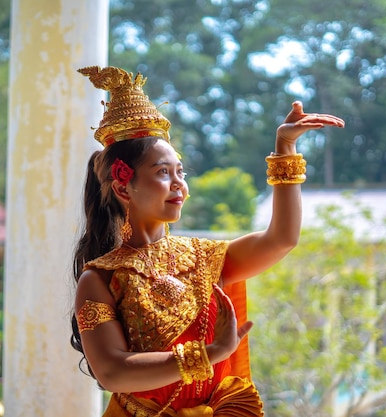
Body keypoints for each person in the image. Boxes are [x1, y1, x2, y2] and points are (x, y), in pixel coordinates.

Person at [71, 65, 344, 417]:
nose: (179, 184)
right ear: (124, 186)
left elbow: (281, 239)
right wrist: (209, 354)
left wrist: (285, 148)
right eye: (162, 173)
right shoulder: (99, 279)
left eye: (180, 172)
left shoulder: (205, 258)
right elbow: (113, 372)